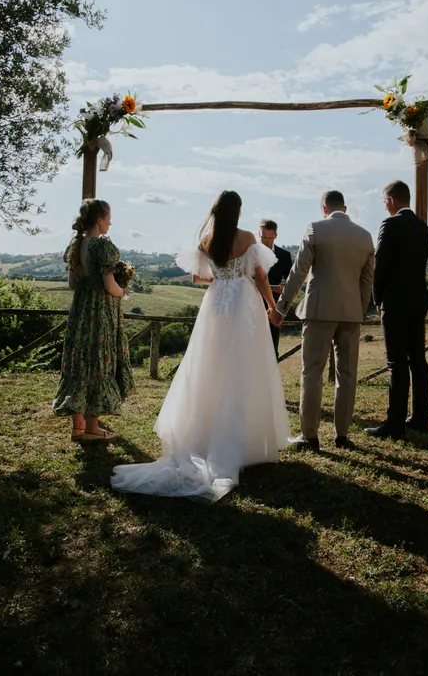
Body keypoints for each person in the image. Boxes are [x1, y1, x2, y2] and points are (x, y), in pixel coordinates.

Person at [111, 190, 291, 502]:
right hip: (244, 305)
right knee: (245, 368)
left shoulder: (207, 240)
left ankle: (204, 438)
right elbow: (261, 276)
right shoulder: (248, 237)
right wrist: (271, 306)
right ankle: (244, 443)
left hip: (216, 306)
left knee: (210, 367)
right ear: (237, 211)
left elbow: (197, 277)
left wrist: (222, 279)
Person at [269, 190, 374, 451]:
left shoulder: (315, 229)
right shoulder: (365, 236)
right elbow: (366, 281)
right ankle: (342, 435)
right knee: (348, 375)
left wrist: (281, 308)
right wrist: (358, 311)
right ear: (345, 208)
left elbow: (298, 272)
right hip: (351, 314)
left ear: (323, 208)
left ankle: (310, 436)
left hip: (318, 312)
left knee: (312, 373)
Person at [52, 199, 135, 443]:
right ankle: (92, 428)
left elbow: (72, 284)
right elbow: (110, 286)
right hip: (100, 312)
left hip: (80, 311)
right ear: (99, 220)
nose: (110, 222)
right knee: (99, 363)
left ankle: (77, 427)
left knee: (79, 362)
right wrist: (123, 292)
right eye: (108, 217)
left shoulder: (76, 245)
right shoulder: (102, 247)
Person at [365, 180, 428, 441]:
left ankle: (394, 424)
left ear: (391, 199)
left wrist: (377, 298)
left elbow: (380, 263)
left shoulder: (390, 224)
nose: (385, 206)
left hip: (395, 301)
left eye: (384, 202)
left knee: (396, 362)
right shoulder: (423, 228)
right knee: (418, 359)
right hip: (418, 300)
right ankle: (420, 417)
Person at [259, 219, 293, 359]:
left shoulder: (284, 255)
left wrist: (283, 287)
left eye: (269, 238)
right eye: (263, 237)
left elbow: (290, 281)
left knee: (272, 350)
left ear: (276, 236)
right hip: (252, 303)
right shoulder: (250, 253)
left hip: (274, 307)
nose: (266, 241)